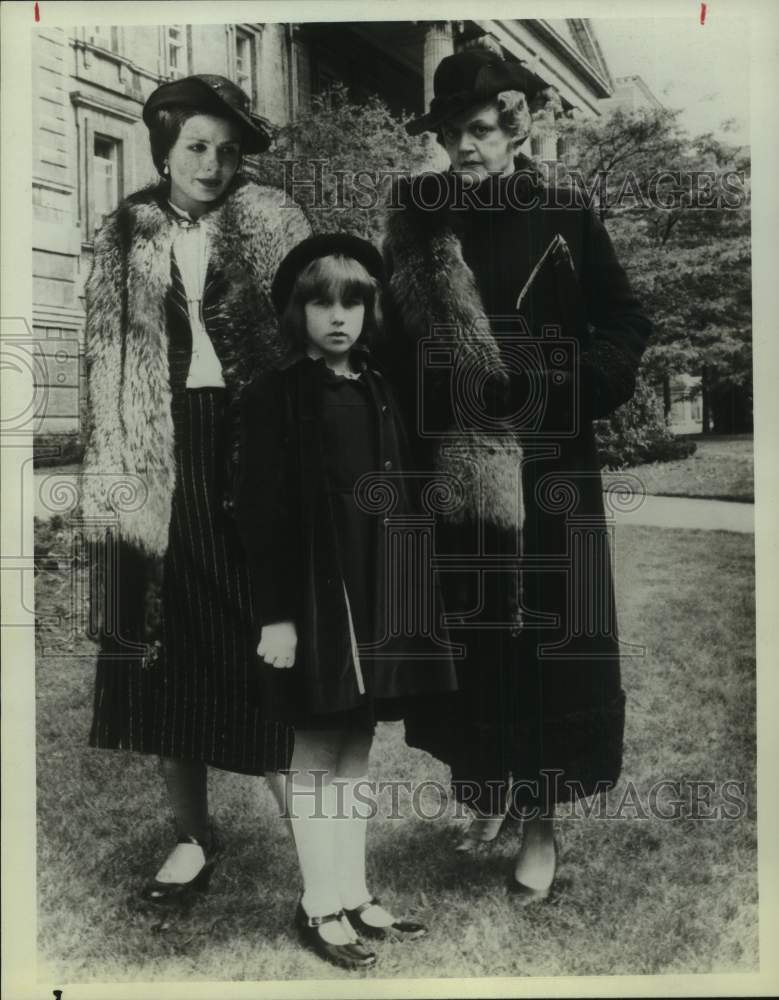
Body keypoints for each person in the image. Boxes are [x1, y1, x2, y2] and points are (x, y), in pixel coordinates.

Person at [381, 49, 653, 900]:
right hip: (455, 473)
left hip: (546, 472)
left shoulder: (564, 211)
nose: (460, 149)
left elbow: (624, 322)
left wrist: (562, 385)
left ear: (515, 123)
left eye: (474, 131)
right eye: (447, 135)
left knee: (545, 650)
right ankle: (490, 792)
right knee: (477, 644)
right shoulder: (421, 221)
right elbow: (392, 341)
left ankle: (541, 826)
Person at [80, 74, 311, 905]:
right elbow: (102, 369)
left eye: (226, 149)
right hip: (156, 449)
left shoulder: (275, 224)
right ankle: (191, 834)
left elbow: (321, 340)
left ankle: (322, 854)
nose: (212, 164)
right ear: (165, 151)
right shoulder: (123, 235)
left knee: (263, 630)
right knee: (165, 643)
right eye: (195, 148)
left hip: (252, 442)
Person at [236, 234, 457, 970]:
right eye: (321, 302)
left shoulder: (378, 386)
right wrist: (277, 615)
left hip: (376, 589)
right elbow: (261, 513)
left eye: (353, 302)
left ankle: (355, 891)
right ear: (296, 311)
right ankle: (317, 902)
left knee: (356, 748)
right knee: (314, 750)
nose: (338, 318)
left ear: (371, 310)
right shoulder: (275, 396)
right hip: (315, 595)